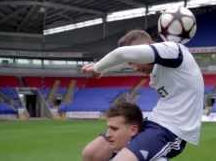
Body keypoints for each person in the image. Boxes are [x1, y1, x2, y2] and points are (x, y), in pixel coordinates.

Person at [82, 29, 204, 161]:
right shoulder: (157, 65)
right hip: (153, 121)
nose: (134, 68)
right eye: (131, 64)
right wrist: (104, 69)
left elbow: (121, 54)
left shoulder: (173, 50)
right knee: (92, 153)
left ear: (144, 50)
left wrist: (98, 67)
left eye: (134, 61)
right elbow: (122, 62)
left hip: (173, 130)